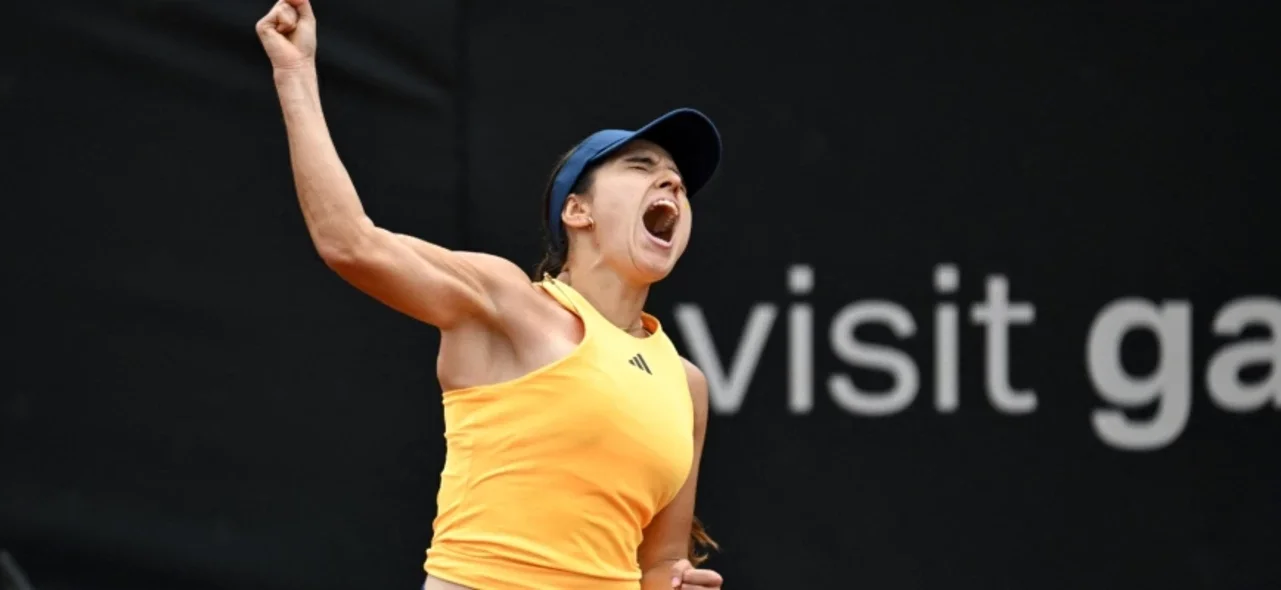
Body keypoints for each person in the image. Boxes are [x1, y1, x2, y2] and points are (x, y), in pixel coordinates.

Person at [257, 1, 726, 588]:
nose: (673, 182)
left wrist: (673, 582)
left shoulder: (688, 386)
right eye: (641, 165)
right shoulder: (508, 302)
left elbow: (656, 563)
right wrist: (295, 72)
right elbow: (349, 242)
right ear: (577, 211)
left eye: (679, 181)